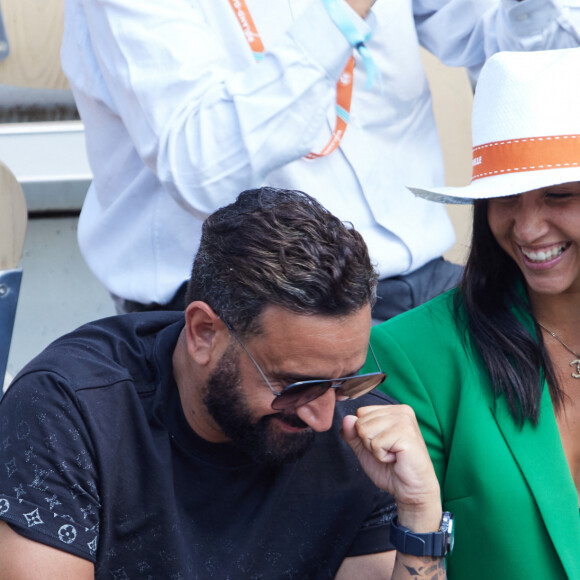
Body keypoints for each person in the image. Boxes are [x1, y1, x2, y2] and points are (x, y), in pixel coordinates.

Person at [0, 187, 450, 579]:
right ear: (203, 334)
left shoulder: (356, 435)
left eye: (346, 381)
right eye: (295, 384)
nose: (324, 416)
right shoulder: (71, 410)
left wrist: (419, 514)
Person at [60, 0, 580, 319]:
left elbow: (537, 60)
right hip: (252, 303)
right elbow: (202, 166)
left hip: (421, 280)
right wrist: (344, 11)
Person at [365, 48, 580, 579]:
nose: (527, 230)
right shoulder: (415, 354)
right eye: (504, 198)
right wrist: (420, 518)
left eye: (558, 195)